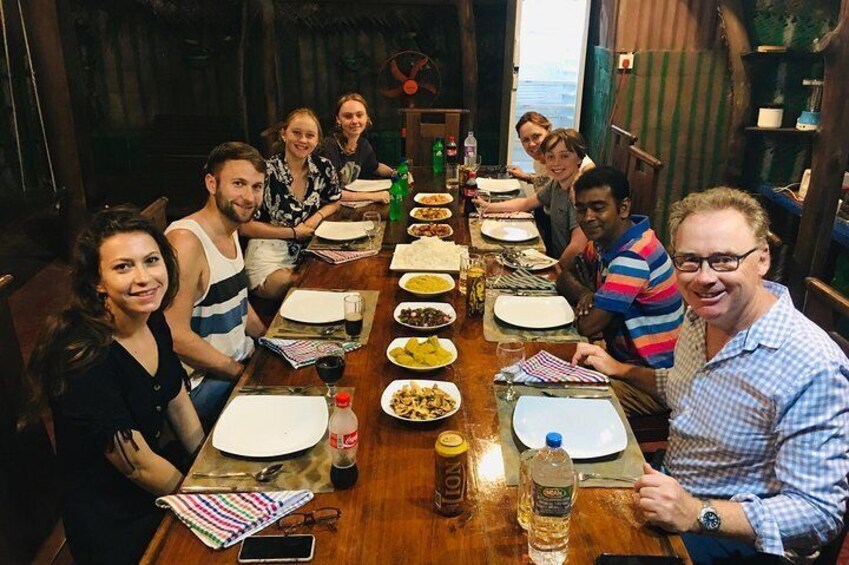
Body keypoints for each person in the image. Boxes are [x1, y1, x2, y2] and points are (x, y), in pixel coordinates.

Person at [572, 187, 849, 564]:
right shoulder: (699, 316)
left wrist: (697, 512)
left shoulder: (812, 364)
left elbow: (819, 512)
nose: (703, 278)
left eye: (724, 260)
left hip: (739, 543)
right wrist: (618, 369)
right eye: (689, 260)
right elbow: (683, 390)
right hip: (671, 485)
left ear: (763, 258)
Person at [25, 207, 205, 564]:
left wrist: (206, 465)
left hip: (158, 482)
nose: (144, 278)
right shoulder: (82, 354)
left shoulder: (151, 320)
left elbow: (177, 399)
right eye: (123, 266)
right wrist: (202, 502)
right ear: (97, 280)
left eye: (151, 260)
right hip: (113, 517)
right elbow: (136, 465)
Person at [556, 166, 683, 416]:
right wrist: (586, 293)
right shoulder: (610, 241)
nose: (588, 217)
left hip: (653, 381)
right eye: (581, 209)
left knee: (563, 401)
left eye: (598, 207)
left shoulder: (633, 257)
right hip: (621, 361)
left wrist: (588, 294)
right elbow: (564, 273)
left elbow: (588, 326)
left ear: (623, 208)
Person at [165, 142, 267, 430]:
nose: (249, 197)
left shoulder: (229, 225)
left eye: (257, 187)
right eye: (238, 184)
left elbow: (238, 304)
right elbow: (175, 335)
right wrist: (239, 372)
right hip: (203, 386)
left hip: (239, 360)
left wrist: (273, 341)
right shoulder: (186, 241)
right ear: (212, 183)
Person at [241, 108, 342, 300]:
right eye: (296, 133)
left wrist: (315, 219)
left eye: (309, 135)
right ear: (283, 134)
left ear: (317, 140)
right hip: (268, 252)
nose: (303, 140)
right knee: (301, 284)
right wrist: (294, 233)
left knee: (332, 280)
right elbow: (244, 227)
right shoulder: (264, 172)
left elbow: (335, 201)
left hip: (309, 249)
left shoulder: (323, 167)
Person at [480, 128, 592, 264]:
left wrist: (555, 271)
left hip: (573, 271)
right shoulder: (555, 185)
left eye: (564, 156)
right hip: (556, 260)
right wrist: (486, 206)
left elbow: (577, 246)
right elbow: (526, 203)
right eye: (551, 157)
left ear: (580, 158)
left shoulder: (578, 195)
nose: (556, 163)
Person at [322, 92, 394, 204]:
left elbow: (375, 167)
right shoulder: (328, 146)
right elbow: (331, 191)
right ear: (338, 120)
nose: (355, 121)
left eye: (359, 115)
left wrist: (397, 174)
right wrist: (374, 196)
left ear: (367, 117)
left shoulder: (363, 144)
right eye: (348, 116)